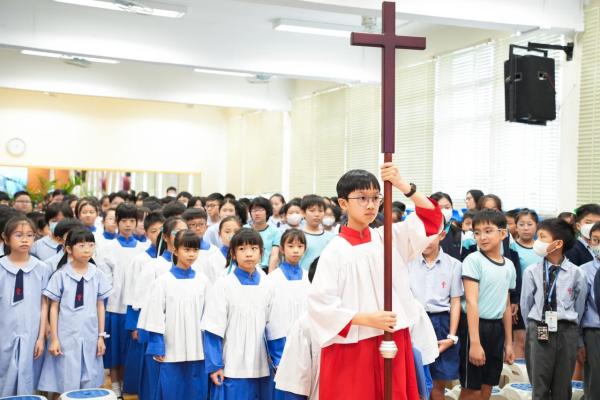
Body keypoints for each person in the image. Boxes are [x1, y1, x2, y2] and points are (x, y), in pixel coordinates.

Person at [308, 163, 442, 400]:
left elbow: (432, 218)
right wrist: (366, 318)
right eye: (362, 198)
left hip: (392, 337)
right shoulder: (334, 251)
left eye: (375, 198)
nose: (370, 205)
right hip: (352, 345)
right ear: (343, 203)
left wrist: (402, 185)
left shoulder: (389, 238)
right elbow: (320, 305)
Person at [201, 228, 286, 400]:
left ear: (261, 253)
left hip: (262, 365)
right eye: (242, 249)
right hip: (231, 365)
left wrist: (279, 362)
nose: (248, 254)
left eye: (254, 249)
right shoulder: (223, 285)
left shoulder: (269, 286)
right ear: (233, 253)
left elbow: (275, 329)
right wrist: (215, 365)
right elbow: (213, 329)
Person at [38, 228, 112, 397]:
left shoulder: (98, 274)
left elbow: (100, 305)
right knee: (65, 379)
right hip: (66, 336)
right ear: (69, 249)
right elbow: (53, 307)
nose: (87, 249)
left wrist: (101, 336)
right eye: (82, 245)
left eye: (91, 245)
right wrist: (54, 339)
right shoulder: (60, 275)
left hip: (90, 335)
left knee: (89, 379)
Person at [520, 218, 587, 400]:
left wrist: (572, 326)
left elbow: (579, 306)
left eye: (542, 237)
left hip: (567, 330)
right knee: (539, 383)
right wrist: (533, 326)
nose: (537, 241)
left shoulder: (577, 273)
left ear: (558, 243)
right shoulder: (532, 271)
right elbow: (526, 304)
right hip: (539, 327)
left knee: (563, 385)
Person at [144, 230, 210, 400]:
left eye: (195, 250)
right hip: (172, 346)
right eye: (186, 249)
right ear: (175, 250)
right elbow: (155, 315)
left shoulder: (203, 280)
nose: (191, 254)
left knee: (197, 390)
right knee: (171, 389)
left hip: (197, 346)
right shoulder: (163, 281)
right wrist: (157, 344)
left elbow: (209, 314)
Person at [459, 209, 516, 400]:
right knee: (472, 389)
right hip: (474, 327)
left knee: (487, 386)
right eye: (477, 232)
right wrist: (475, 343)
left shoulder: (509, 265)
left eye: (488, 231)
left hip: (496, 329)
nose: (482, 237)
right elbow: (472, 302)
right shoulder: (473, 260)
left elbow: (506, 305)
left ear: (503, 233)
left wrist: (508, 343)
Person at [407, 226, 462, 400]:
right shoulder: (407, 262)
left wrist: (451, 336)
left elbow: (455, 301)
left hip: (441, 322)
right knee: (415, 382)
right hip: (414, 321)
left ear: (442, 235)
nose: (425, 241)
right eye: (421, 236)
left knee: (438, 384)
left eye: (430, 236)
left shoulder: (454, 264)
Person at [0, 215, 51, 396]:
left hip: (32, 331)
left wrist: (41, 337)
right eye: (18, 235)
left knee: (29, 373)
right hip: (4, 331)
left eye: (30, 235)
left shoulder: (42, 268)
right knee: (4, 371)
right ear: (6, 238)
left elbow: (44, 303)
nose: (25, 240)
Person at [103, 203, 146, 398]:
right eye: (124, 221)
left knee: (130, 351)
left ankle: (128, 386)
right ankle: (115, 387)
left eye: (132, 221)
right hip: (114, 307)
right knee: (114, 351)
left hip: (136, 309)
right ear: (117, 222)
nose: (128, 225)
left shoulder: (143, 249)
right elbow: (105, 281)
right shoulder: (108, 248)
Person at [122, 211, 165, 398]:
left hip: (165, 320)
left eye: (162, 230)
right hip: (143, 319)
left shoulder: (175, 259)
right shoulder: (141, 259)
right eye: (154, 231)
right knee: (145, 362)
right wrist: (134, 324)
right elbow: (132, 293)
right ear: (146, 234)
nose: (158, 235)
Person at [509, 209, 543, 358]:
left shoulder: (543, 249)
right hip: (520, 302)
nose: (525, 228)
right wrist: (514, 301)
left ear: (537, 226)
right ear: (516, 227)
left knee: (541, 343)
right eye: (521, 224)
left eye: (529, 224)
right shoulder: (512, 248)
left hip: (541, 303)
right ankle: (520, 373)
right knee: (521, 342)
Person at [269, 229, 311, 337]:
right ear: (282, 249)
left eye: (300, 246)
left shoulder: (308, 277)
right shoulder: (273, 278)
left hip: (305, 336)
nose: (296, 250)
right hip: (281, 337)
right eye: (291, 246)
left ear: (305, 249)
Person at [579, 221, 600, 399]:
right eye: (595, 240)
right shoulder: (583, 272)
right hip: (594, 332)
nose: (598, 245)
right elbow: (579, 309)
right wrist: (579, 340)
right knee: (595, 381)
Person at [182, 208, 226, 284]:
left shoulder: (213, 251)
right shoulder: (180, 250)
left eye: (201, 224)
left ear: (206, 226)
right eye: (193, 225)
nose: (198, 228)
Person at [299, 195, 336, 271]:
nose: (317, 214)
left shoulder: (332, 237)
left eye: (320, 211)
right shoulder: (297, 236)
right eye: (312, 211)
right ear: (303, 213)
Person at [248, 197, 281, 273]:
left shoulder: (275, 232)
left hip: (265, 269)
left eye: (260, 210)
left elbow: (274, 255)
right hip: (246, 268)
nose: (257, 213)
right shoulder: (244, 229)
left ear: (267, 212)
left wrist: (270, 274)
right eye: (254, 210)